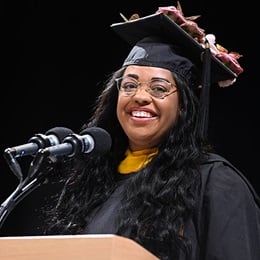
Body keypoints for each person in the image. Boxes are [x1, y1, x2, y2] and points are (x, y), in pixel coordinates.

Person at [33, 4, 260, 260]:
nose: (140, 97)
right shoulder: (92, 180)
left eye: (159, 89)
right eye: (129, 85)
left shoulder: (215, 183)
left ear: (183, 107)